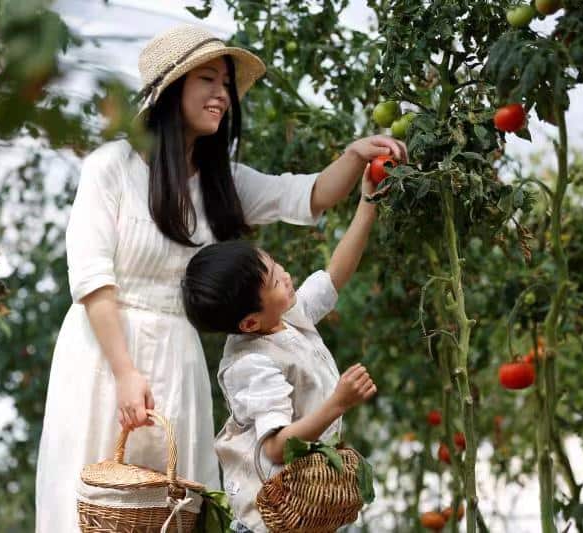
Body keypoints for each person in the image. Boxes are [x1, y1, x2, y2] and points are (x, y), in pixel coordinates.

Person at [34, 24, 405, 532]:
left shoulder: (220, 181)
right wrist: (124, 373)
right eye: (207, 80)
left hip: (177, 359)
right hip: (104, 354)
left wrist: (355, 155)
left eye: (226, 84)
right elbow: (93, 279)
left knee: (172, 504)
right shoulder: (111, 168)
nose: (222, 94)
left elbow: (309, 195)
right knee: (93, 497)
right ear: (171, 92)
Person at [181, 169, 380, 533]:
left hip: (307, 507)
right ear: (249, 324)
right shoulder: (251, 364)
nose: (285, 274)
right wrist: (338, 402)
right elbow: (276, 448)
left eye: (273, 264)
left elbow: (334, 276)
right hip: (270, 520)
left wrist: (368, 203)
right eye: (273, 279)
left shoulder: (283, 317)